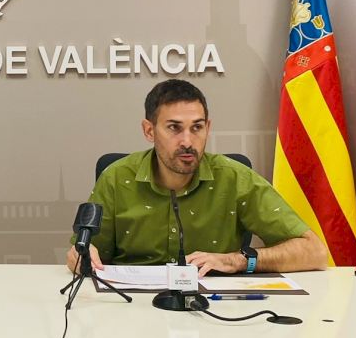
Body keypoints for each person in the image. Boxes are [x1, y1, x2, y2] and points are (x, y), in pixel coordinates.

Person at [67, 79, 327, 277]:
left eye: (197, 127)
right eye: (174, 128)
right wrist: (82, 256)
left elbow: (314, 252)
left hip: (215, 308)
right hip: (132, 308)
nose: (188, 141)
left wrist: (236, 260)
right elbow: (81, 253)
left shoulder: (235, 178)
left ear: (208, 128)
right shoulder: (116, 178)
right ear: (149, 131)